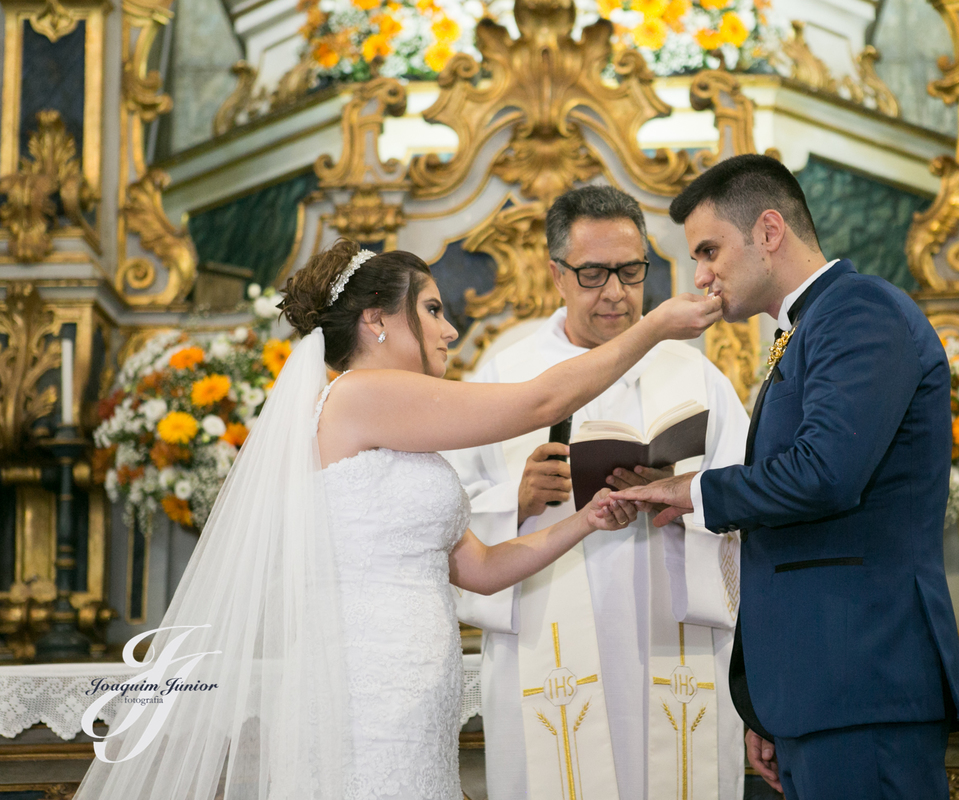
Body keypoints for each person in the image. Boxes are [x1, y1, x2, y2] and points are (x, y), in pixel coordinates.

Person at [70, 239, 722, 800]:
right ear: (377, 321)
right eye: (433, 309)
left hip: (414, 689)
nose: (449, 330)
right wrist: (654, 326)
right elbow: (541, 400)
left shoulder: (397, 426)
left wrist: (585, 521)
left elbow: (482, 569)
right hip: (369, 686)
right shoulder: (359, 395)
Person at [607, 154, 959, 800]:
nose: (701, 275)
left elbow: (825, 474)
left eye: (710, 250)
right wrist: (767, 704)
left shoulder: (858, 312)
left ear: (769, 232)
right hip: (819, 690)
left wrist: (691, 491)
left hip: (863, 684)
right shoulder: (805, 328)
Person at [445, 186, 749, 800]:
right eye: (592, 274)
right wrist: (520, 498)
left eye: (630, 271)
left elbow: (751, 497)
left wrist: (681, 494)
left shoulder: (696, 376)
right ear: (556, 275)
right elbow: (447, 515)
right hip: (547, 640)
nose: (615, 291)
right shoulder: (508, 375)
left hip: (670, 626)